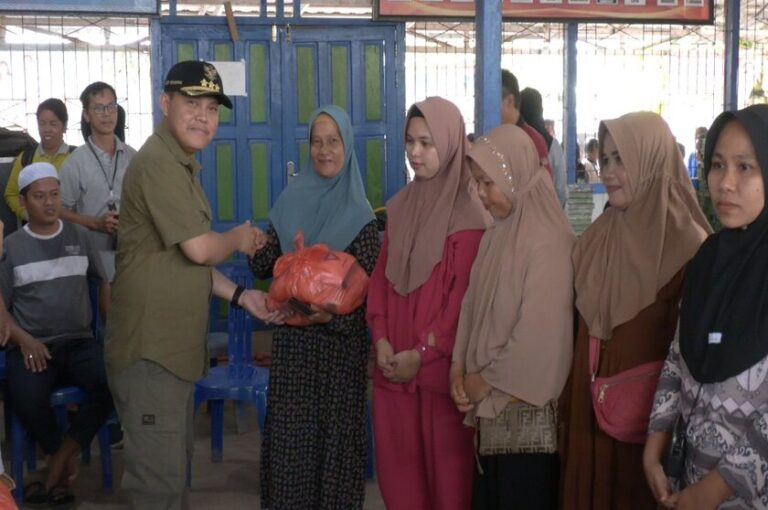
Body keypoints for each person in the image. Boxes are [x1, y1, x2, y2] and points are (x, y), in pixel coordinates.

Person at [105, 60, 279, 510]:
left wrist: (242, 296)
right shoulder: (159, 162)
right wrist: (239, 238)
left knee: (170, 477)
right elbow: (200, 251)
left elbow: (184, 265)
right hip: (150, 356)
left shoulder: (181, 165)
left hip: (172, 358)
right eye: (191, 103)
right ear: (165, 103)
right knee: (157, 488)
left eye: (212, 108)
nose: (203, 116)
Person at [558, 111, 711, 510]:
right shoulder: (595, 238)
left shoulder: (690, 248)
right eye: (605, 159)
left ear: (651, 160)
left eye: (621, 159)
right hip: (589, 413)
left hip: (645, 430)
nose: (609, 171)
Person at [249, 104, 379, 509]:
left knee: (336, 450)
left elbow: (368, 296)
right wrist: (252, 243)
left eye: (333, 141)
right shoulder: (291, 202)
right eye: (316, 142)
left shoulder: (362, 218)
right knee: (292, 447)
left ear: (347, 146)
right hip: (295, 353)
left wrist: (332, 315)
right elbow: (264, 263)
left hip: (340, 357)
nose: (324, 151)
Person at [367, 96, 489, 510]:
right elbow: (380, 284)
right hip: (394, 375)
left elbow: (461, 305)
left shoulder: (470, 219)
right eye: (409, 142)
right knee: (402, 483)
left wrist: (423, 353)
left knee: (447, 488)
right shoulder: (400, 208)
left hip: (441, 384)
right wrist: (381, 339)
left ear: (452, 144)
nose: (415, 153)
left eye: (427, 143)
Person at [644, 104, 768, 509]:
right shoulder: (707, 260)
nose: (726, 183)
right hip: (686, 480)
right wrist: (654, 445)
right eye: (717, 164)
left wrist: (714, 490)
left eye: (745, 167)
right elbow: (677, 357)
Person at [451, 124, 574, 509]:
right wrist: (458, 368)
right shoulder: (496, 235)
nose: (482, 195)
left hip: (525, 426)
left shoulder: (550, 241)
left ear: (515, 176)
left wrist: (483, 381)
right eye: (477, 183)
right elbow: (471, 306)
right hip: (488, 417)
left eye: (488, 183)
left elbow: (539, 336)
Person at [1, 162, 114, 507]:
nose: (49, 203)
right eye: (39, 197)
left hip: (79, 341)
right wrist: (23, 338)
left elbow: (103, 282)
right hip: (33, 344)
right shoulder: (11, 248)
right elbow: (1, 309)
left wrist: (113, 333)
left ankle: (62, 456)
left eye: (54, 195)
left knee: (113, 381)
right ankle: (57, 454)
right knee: (24, 393)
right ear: (23, 202)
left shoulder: (79, 237)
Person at [58, 82, 137, 282]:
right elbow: (58, 210)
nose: (106, 113)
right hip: (92, 257)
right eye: (98, 108)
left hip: (132, 251)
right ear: (86, 115)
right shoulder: (74, 162)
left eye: (111, 106)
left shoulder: (133, 157)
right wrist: (94, 223)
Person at [4, 98, 75, 222]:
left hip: (71, 231)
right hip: (35, 232)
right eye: (42, 123)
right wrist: (27, 215)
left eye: (53, 124)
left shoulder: (76, 157)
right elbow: (11, 193)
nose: (47, 129)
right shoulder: (26, 158)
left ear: (64, 127)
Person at [520, 87, 567, 207]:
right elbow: (560, 188)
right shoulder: (552, 144)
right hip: (548, 213)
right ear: (540, 109)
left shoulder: (516, 141)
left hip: (522, 214)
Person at [501, 69, 552, 178]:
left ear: (510, 101)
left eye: (493, 101)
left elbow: (543, 190)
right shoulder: (498, 136)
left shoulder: (532, 141)